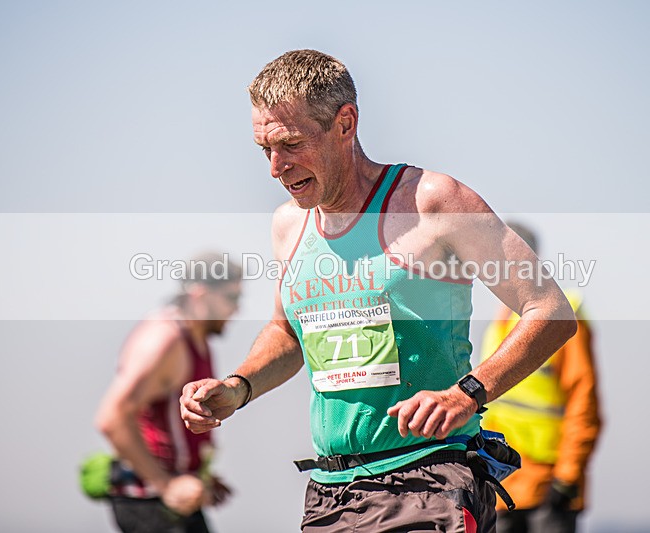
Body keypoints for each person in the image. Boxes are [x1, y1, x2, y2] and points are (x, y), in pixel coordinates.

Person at [179, 49, 577, 532]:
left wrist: (467, 394)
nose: (275, 168)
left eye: (290, 144)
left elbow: (549, 309)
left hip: (430, 479)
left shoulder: (432, 201)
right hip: (333, 491)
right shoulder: (288, 226)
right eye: (265, 150)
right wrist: (237, 387)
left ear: (345, 123)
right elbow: (288, 333)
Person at [96, 252, 242, 533]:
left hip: (174, 497)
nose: (237, 309)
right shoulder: (165, 340)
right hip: (151, 501)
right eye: (231, 298)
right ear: (200, 295)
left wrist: (196, 474)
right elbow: (111, 418)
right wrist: (167, 485)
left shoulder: (195, 338)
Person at [480, 222, 602, 533]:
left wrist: (567, 478)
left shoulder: (563, 317)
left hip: (549, 490)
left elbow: (583, 402)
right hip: (502, 486)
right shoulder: (502, 320)